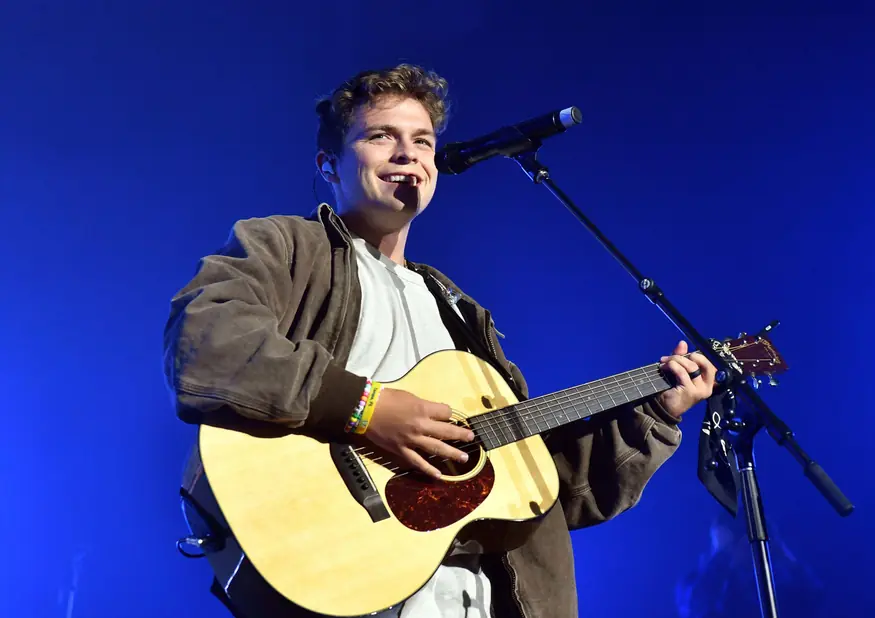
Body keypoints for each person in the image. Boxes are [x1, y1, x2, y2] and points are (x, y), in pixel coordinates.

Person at [163, 63, 717, 618]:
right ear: (329, 165)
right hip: (347, 581)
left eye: (422, 141)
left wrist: (654, 415)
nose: (408, 154)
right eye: (382, 136)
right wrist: (365, 408)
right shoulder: (284, 247)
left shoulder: (460, 314)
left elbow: (545, 491)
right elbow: (207, 345)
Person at [675, 512, 827, 618]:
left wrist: (781, 552)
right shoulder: (700, 582)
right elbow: (696, 611)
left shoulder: (774, 580)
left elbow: (812, 600)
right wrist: (721, 556)